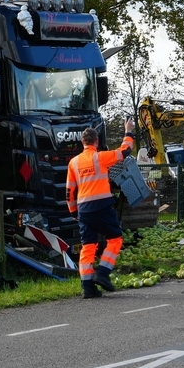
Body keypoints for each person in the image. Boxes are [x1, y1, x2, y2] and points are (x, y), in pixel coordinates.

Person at [66, 118, 136, 299]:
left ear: (82, 142)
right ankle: (103, 273)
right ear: (96, 142)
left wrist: (74, 212)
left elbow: (69, 191)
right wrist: (128, 131)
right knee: (115, 239)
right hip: (102, 206)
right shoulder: (101, 157)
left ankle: (87, 287)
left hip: (83, 210)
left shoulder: (73, 163)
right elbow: (125, 151)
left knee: (88, 246)